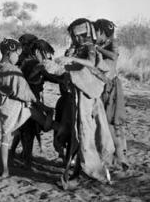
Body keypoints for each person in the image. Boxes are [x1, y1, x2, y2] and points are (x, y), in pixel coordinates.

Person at [56, 18, 115, 187]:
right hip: (76, 98)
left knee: (85, 134)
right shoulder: (76, 49)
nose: (74, 38)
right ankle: (76, 173)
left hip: (87, 99)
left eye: (76, 35)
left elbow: (92, 64)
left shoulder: (90, 48)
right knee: (77, 135)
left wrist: (72, 61)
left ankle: (89, 173)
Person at [0, 38, 56, 178]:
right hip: (18, 106)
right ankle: (51, 120)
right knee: (42, 121)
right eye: (17, 54)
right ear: (10, 53)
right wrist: (41, 105)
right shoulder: (14, 70)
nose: (18, 57)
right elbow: (25, 92)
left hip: (5, 105)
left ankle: (5, 170)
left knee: (5, 137)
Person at [10, 39, 67, 167]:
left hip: (29, 99)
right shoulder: (33, 64)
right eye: (46, 54)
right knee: (28, 130)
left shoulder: (29, 62)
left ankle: (17, 154)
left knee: (25, 129)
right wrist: (64, 77)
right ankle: (27, 161)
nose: (48, 57)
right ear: (37, 52)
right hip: (29, 100)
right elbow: (47, 76)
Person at [93, 18, 130, 171]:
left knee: (111, 123)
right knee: (104, 123)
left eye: (96, 31)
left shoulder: (112, 43)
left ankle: (121, 157)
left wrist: (97, 48)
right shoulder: (101, 45)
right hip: (101, 86)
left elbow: (114, 56)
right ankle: (116, 157)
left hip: (110, 88)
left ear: (102, 32)